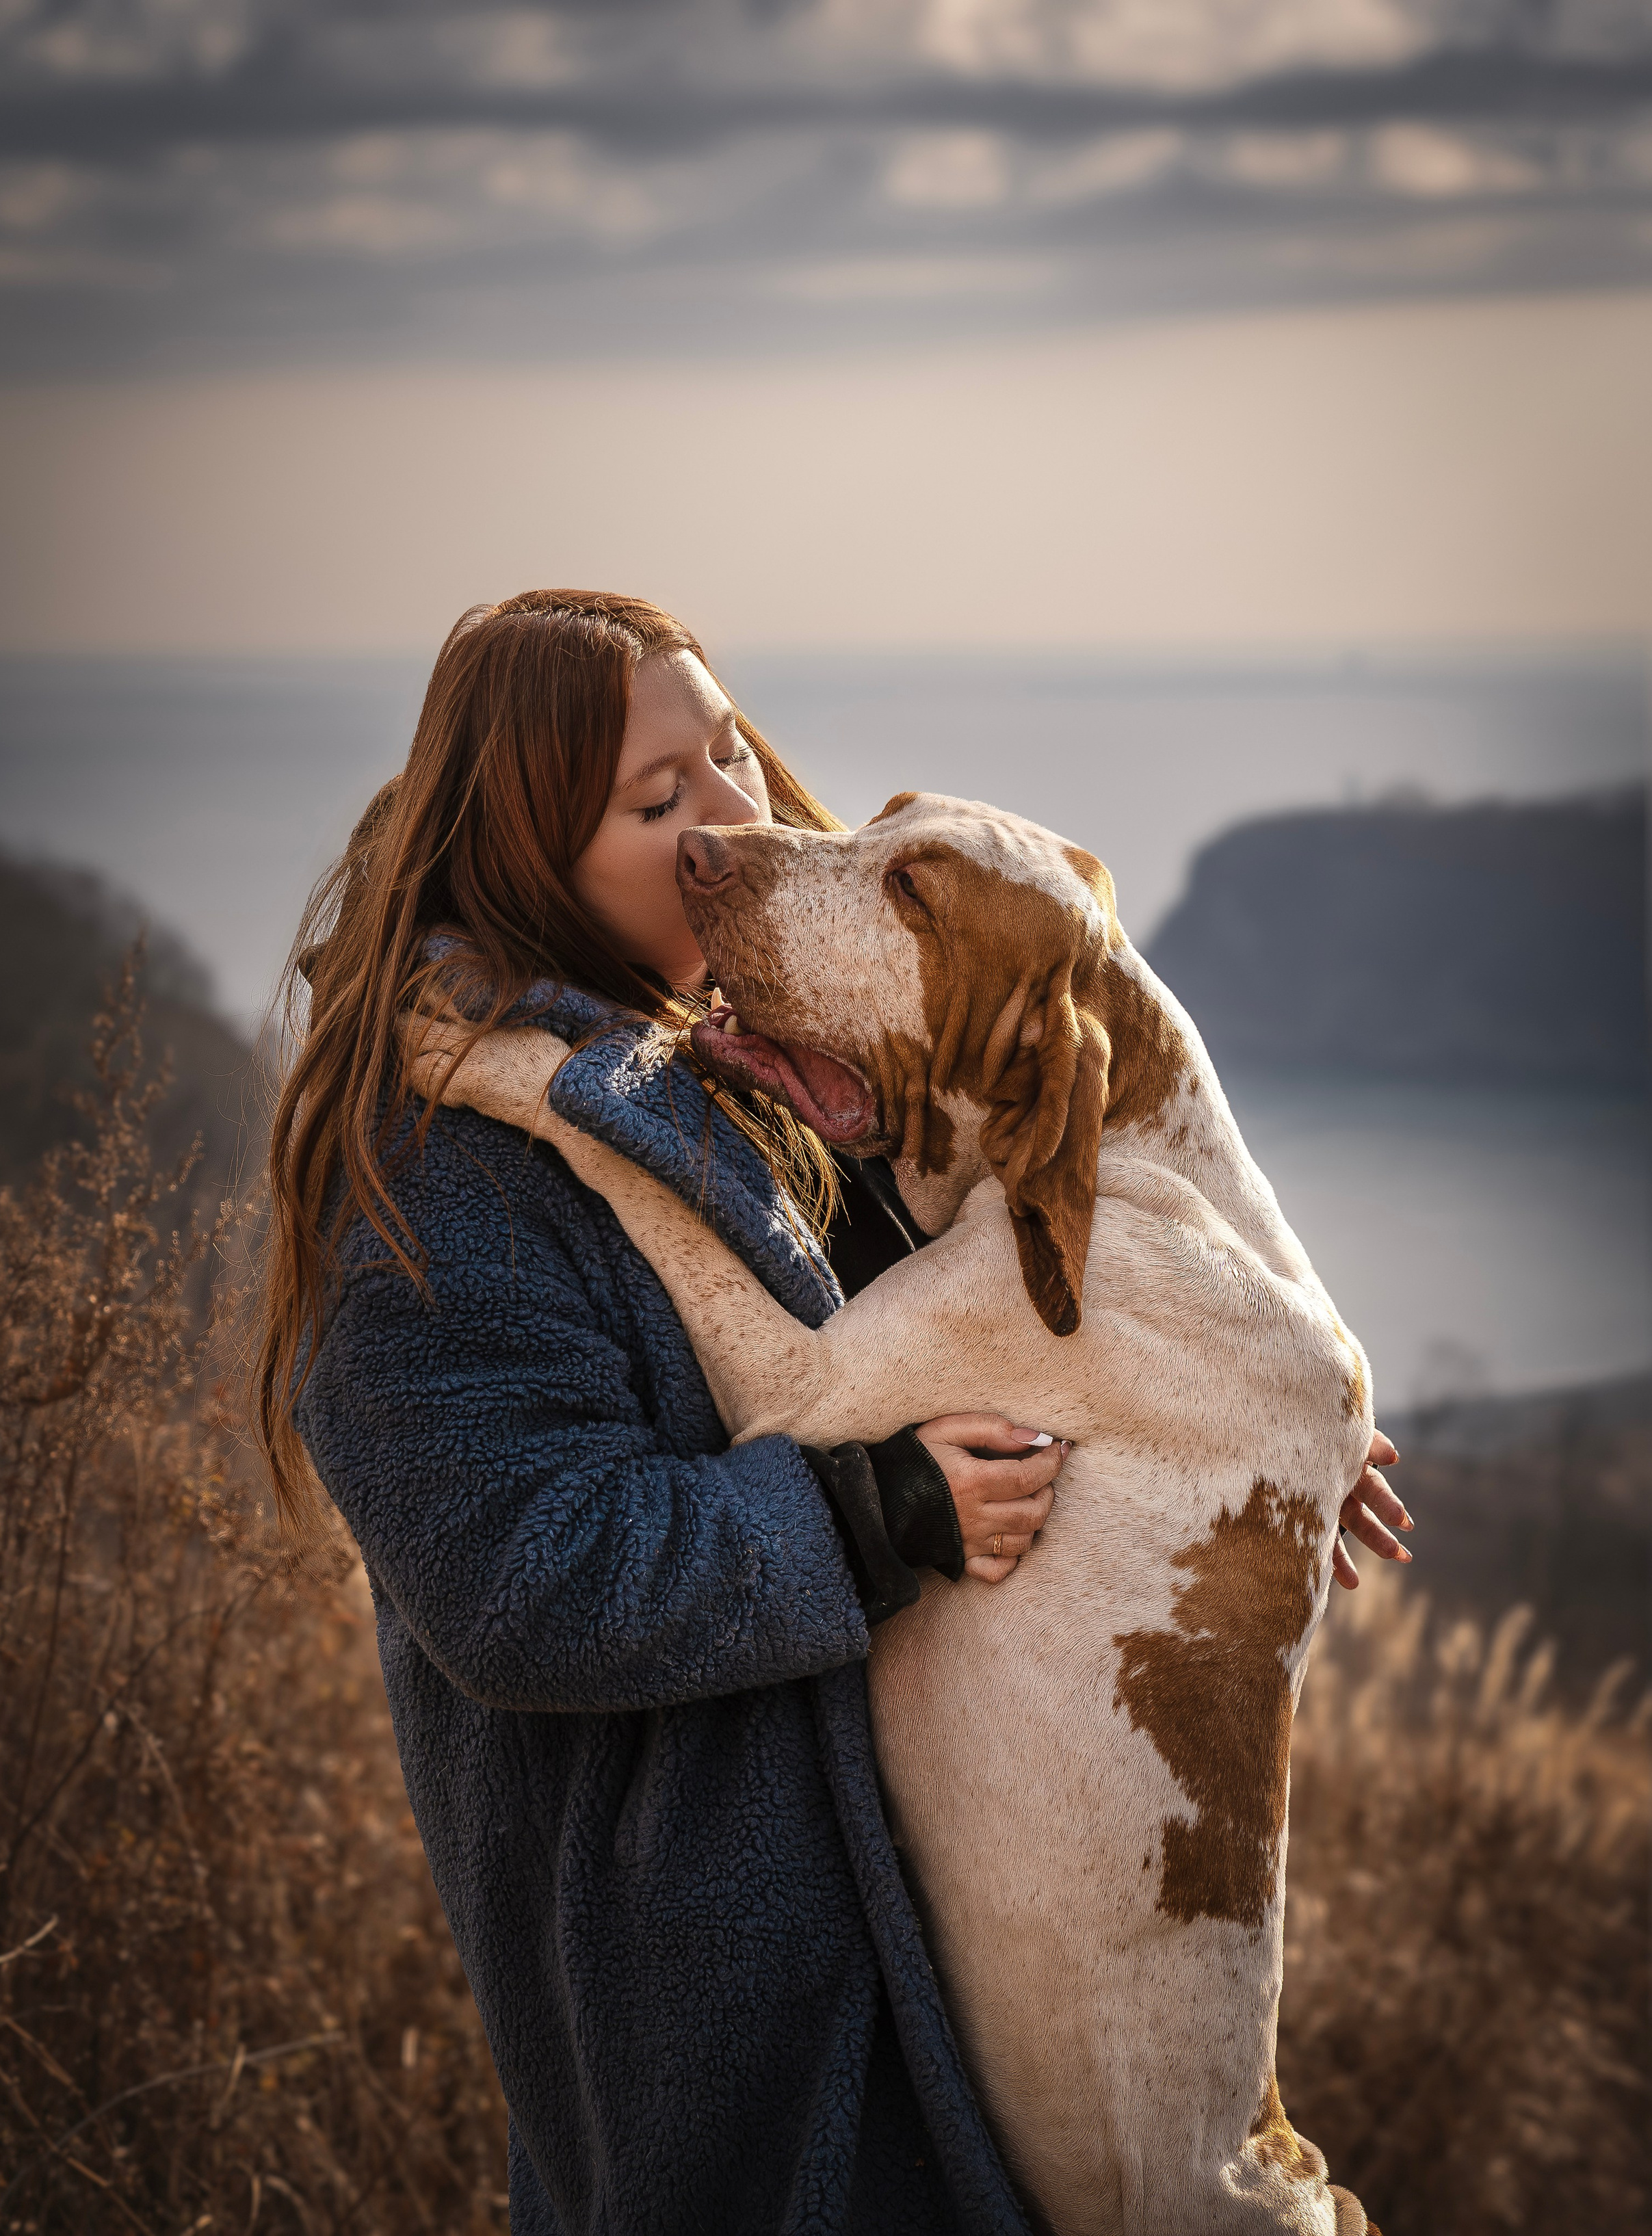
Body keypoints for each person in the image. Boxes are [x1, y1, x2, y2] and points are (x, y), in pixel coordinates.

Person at [254, 589, 1409, 2236]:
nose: (729, 817)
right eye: (658, 805)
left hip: (926, 1944)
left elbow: (999, 1292)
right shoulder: (433, 1178)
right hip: (722, 1998)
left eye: (727, 750)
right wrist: (864, 1519)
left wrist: (1252, 1428)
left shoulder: (745, 1063)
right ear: (522, 858)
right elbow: (516, 1582)